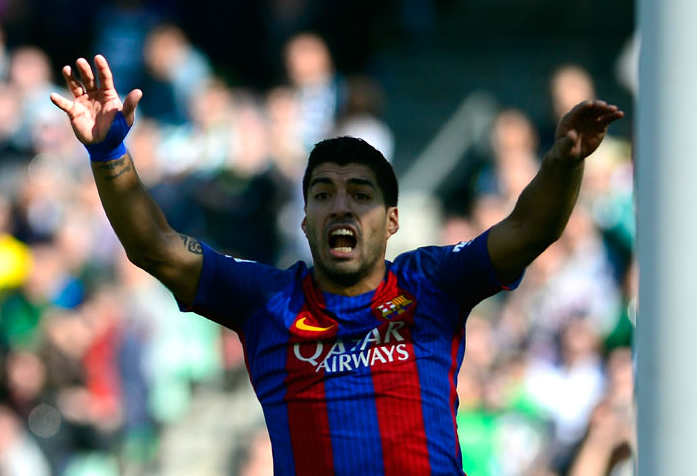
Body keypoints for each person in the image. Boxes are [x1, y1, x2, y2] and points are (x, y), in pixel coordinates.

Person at [50, 55, 623, 476]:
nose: (341, 204)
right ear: (304, 221)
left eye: (360, 194)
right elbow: (155, 247)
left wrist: (564, 161)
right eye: (323, 193)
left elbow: (528, 230)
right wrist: (109, 153)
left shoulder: (432, 283)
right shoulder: (264, 300)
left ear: (392, 221)